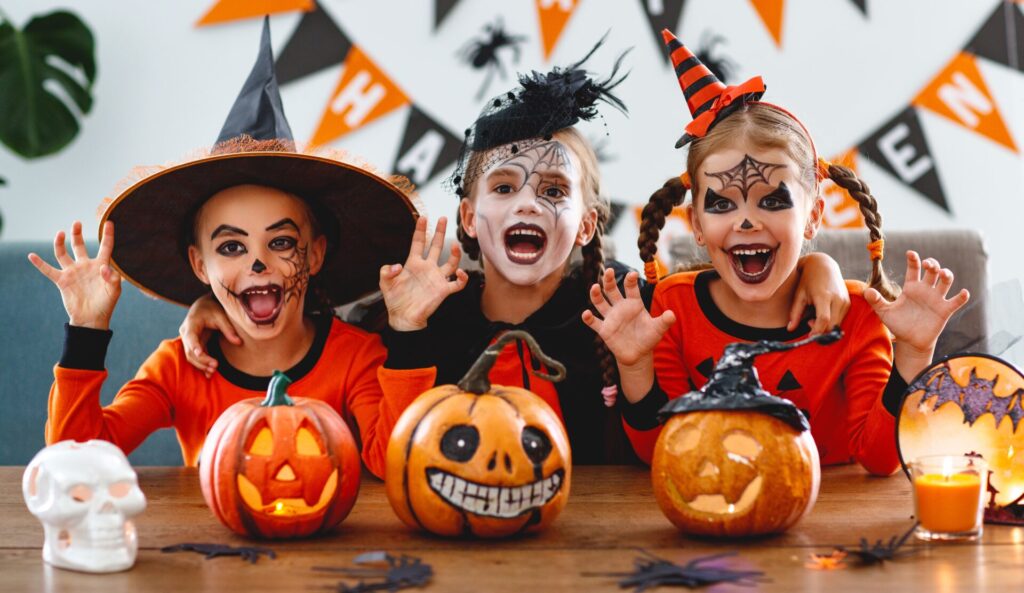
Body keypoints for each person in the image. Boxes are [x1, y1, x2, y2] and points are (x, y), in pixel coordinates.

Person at [181, 39, 849, 464]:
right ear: (471, 217)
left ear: (588, 223)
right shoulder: (428, 311)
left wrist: (818, 267)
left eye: (554, 190)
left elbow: (728, 293)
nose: (529, 204)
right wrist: (213, 311)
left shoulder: (626, 302)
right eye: (505, 186)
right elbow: (317, 342)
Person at [29, 20, 428, 479]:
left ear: (315, 254)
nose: (257, 262)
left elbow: (399, 462)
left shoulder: (356, 358)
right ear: (200, 264)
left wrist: (408, 331)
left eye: (280, 242)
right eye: (232, 246)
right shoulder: (180, 366)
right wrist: (86, 331)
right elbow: (75, 461)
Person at [584, 30, 970, 474]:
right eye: (723, 204)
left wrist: (915, 355)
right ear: (697, 225)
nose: (746, 221)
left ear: (813, 216)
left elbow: (880, 459)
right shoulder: (673, 308)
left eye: (772, 200)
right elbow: (661, 455)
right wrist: (635, 368)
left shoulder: (860, 316)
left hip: (827, 525)